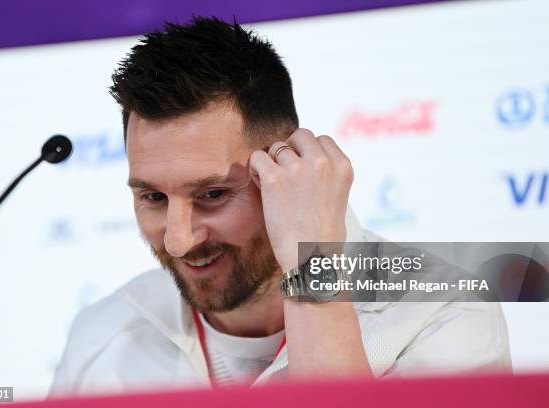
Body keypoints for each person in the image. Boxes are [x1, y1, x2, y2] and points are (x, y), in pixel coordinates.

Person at [50, 17, 511, 396]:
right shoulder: (103, 332)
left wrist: (313, 261)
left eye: (212, 195)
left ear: (286, 170)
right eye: (152, 197)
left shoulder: (442, 310)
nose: (178, 239)